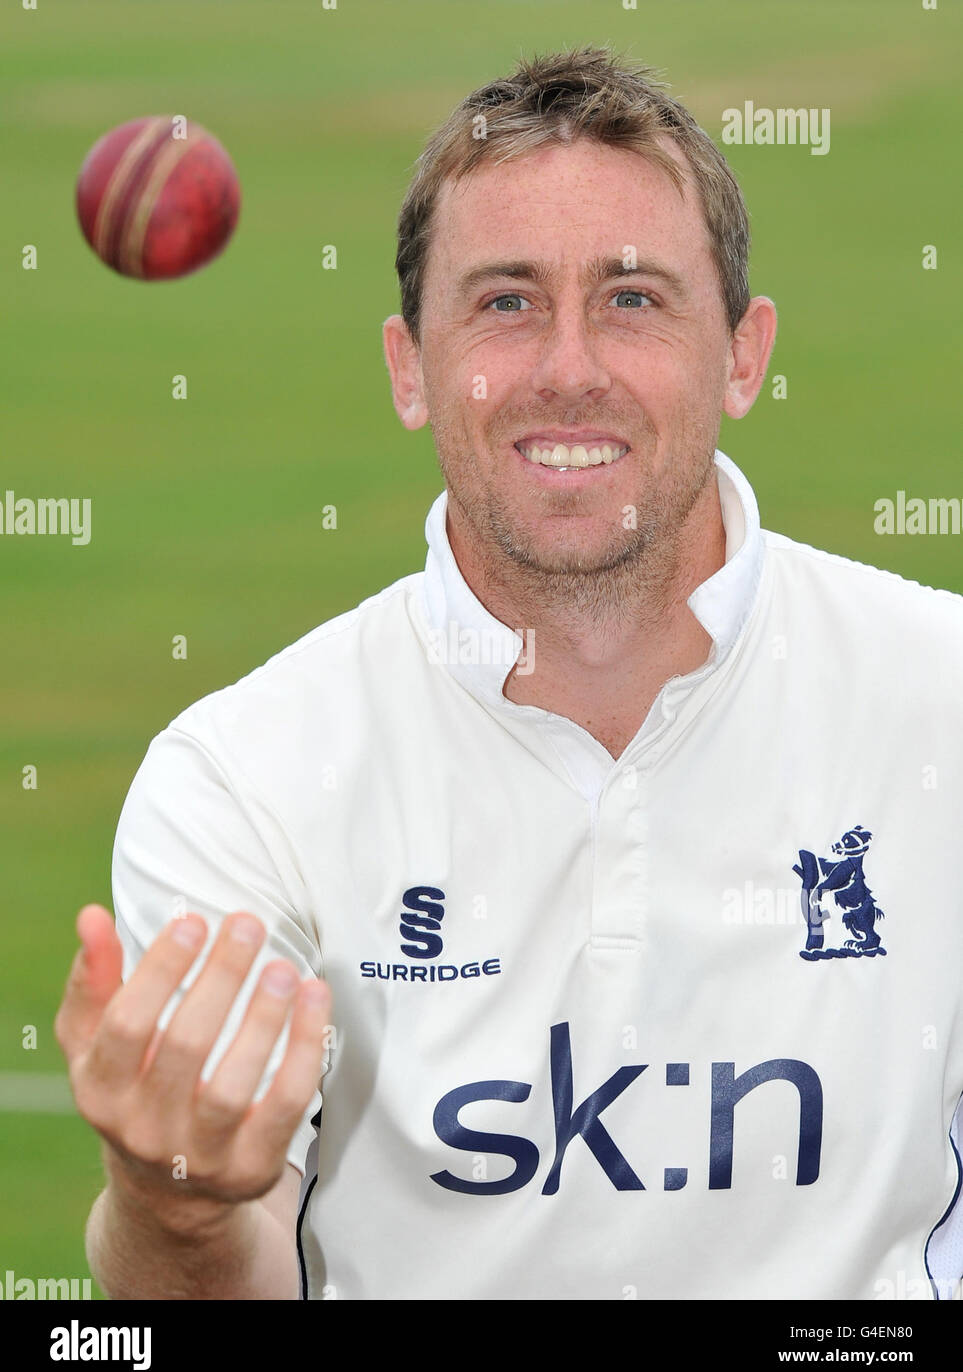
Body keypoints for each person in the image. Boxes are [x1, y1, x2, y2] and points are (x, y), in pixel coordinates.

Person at [56, 45, 963, 1301]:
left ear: (746, 356)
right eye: (505, 301)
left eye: (635, 298)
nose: (569, 367)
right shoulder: (241, 779)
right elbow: (213, 1288)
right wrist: (175, 1204)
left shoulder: (943, 705)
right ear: (408, 370)